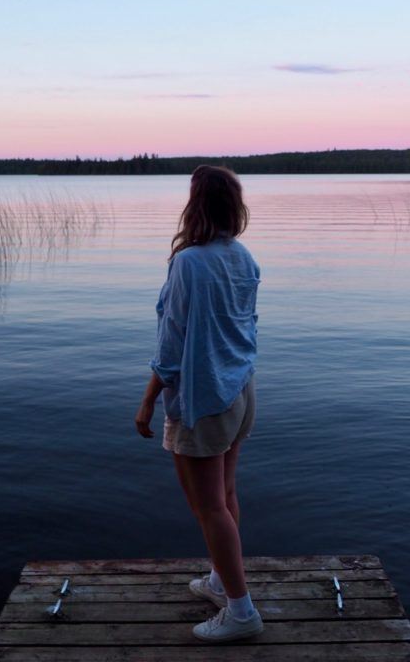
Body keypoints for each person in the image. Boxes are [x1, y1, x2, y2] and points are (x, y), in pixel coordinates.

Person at [135, 165, 263, 643]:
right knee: (226, 496)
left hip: (205, 395)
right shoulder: (244, 257)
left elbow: (172, 345)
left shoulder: (189, 262)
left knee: (209, 507)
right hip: (240, 391)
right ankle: (219, 579)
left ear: (196, 206)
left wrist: (148, 400)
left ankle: (241, 611)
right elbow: (247, 328)